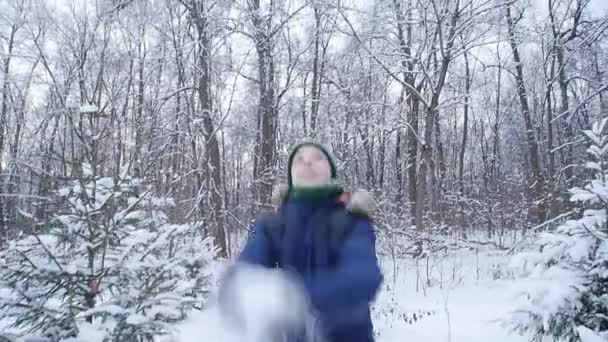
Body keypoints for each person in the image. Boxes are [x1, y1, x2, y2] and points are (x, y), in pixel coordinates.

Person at [218, 142, 383, 342]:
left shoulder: (354, 222)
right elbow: (246, 272)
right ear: (290, 175)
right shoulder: (268, 225)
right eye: (299, 159)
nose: (308, 162)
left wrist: (293, 297)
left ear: (331, 171)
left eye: (318, 157)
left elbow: (363, 278)